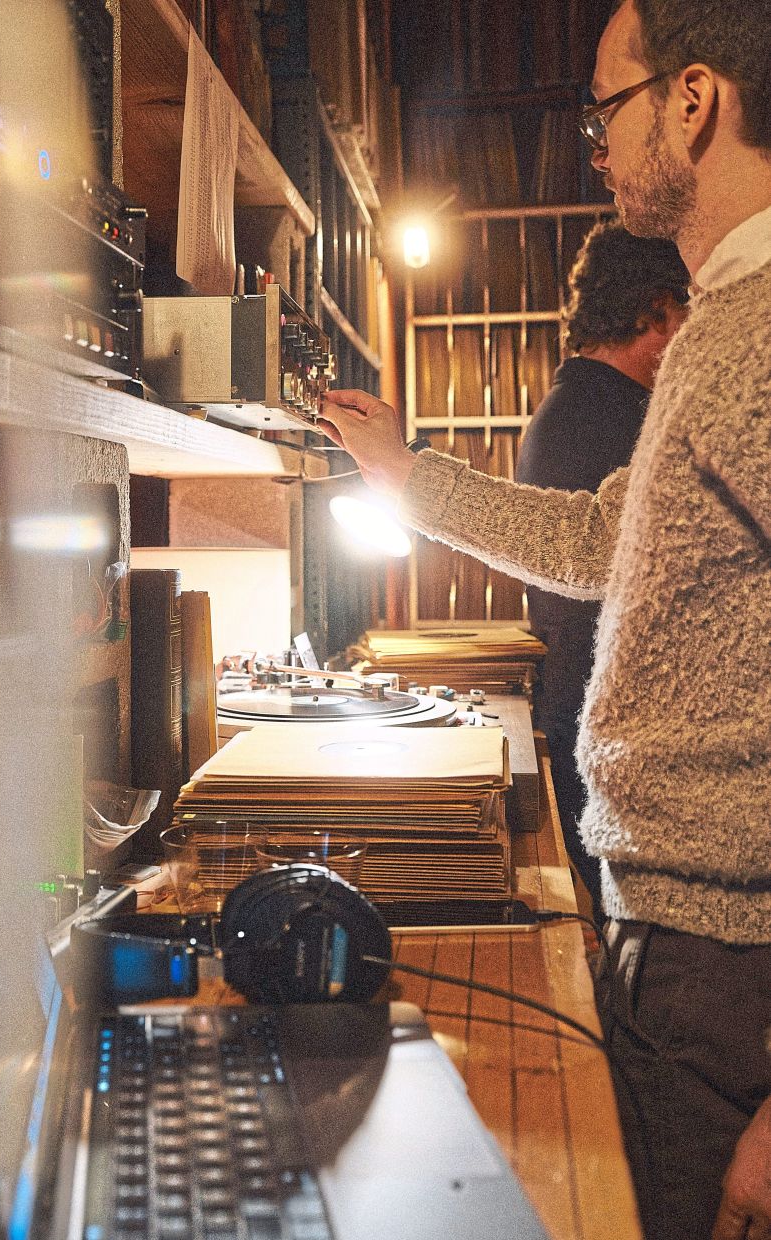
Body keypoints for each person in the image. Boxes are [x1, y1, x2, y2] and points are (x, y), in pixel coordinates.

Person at [318, 3, 771, 1238]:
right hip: (684, 952)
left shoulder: (760, 331)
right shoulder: (721, 328)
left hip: (733, 979)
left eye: (605, 112)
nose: (597, 150)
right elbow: (593, 542)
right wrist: (405, 479)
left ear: (692, 102)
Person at [515, 221, 689, 919]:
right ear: (656, 311)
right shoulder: (615, 419)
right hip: (612, 742)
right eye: (689, 313)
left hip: (585, 720)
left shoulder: (579, 405)